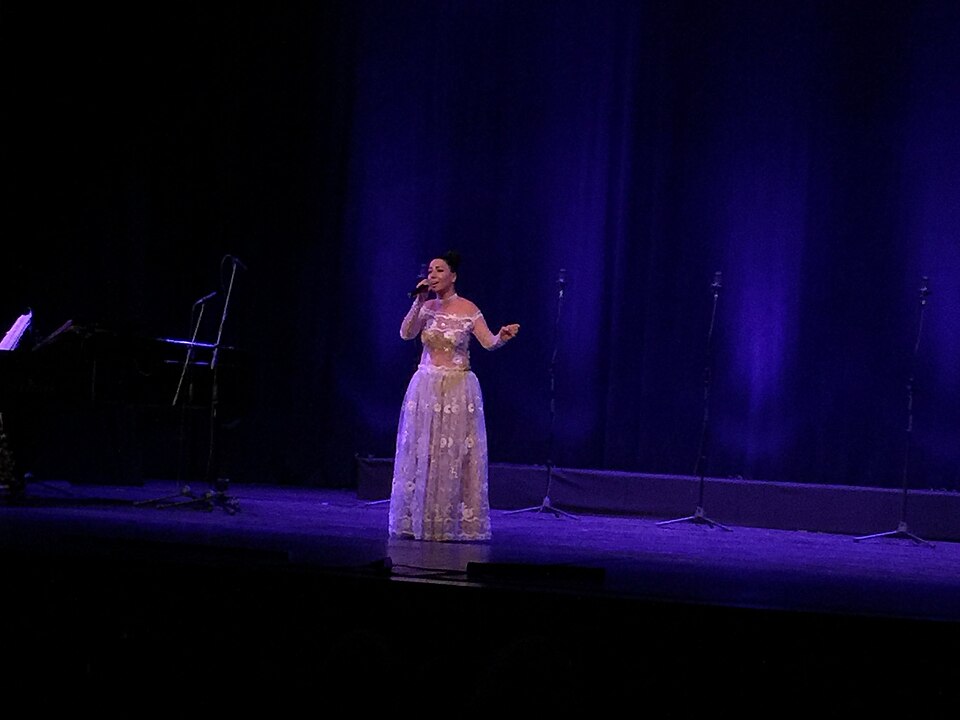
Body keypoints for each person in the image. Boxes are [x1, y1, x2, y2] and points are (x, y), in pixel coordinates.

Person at [388, 251, 519, 541]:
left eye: (439, 271)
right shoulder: (426, 305)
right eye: (431, 271)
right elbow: (406, 334)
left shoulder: (468, 308)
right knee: (423, 451)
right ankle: (416, 519)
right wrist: (418, 301)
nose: (432, 275)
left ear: (453, 276)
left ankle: (450, 521)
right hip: (425, 386)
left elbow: (488, 343)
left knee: (453, 454)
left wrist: (502, 337)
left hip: (458, 389)